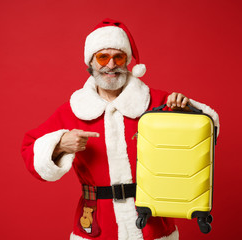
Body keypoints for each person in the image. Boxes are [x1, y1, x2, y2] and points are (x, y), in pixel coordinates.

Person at [21, 18, 220, 240]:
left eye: (118, 56)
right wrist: (59, 144)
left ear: (127, 62)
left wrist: (187, 111)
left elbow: (208, 132)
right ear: (91, 63)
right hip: (97, 224)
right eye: (103, 57)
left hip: (152, 223)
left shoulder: (158, 102)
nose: (111, 64)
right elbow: (30, 152)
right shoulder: (74, 110)